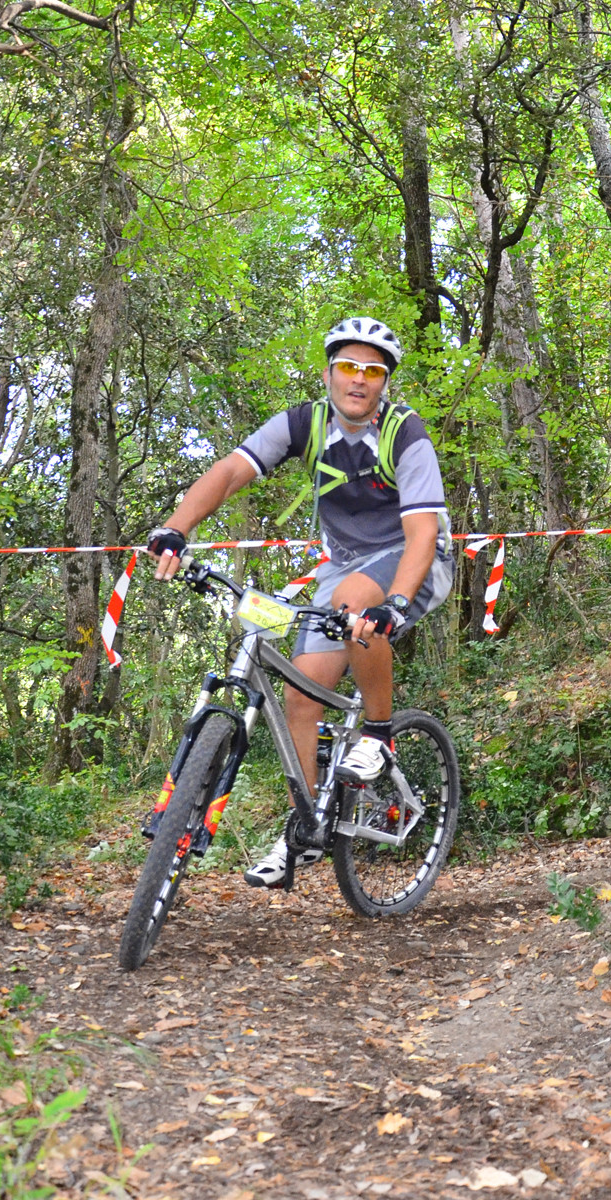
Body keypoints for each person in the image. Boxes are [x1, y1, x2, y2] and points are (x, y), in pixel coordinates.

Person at [147, 316, 453, 887]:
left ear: (385, 383)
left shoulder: (405, 433)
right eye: (347, 367)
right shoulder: (303, 424)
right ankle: (304, 831)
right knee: (301, 699)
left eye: (372, 371)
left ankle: (380, 734)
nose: (358, 380)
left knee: (357, 602)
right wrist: (176, 529)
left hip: (418, 560)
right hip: (342, 566)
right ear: (328, 373)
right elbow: (232, 470)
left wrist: (396, 602)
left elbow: (421, 535)